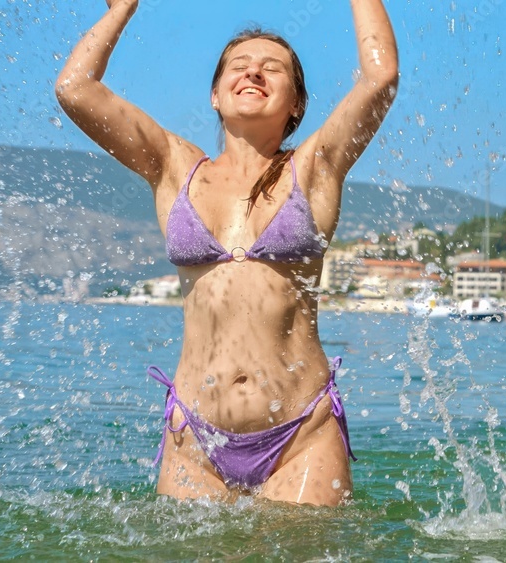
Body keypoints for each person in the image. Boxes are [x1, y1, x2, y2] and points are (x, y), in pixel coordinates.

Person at [55, 0, 398, 505]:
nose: (253, 71)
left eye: (272, 68)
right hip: (196, 438)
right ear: (215, 95)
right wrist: (122, 9)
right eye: (238, 67)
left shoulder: (315, 165)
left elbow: (380, 78)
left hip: (301, 434)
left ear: (296, 103)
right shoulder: (174, 167)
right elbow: (75, 89)